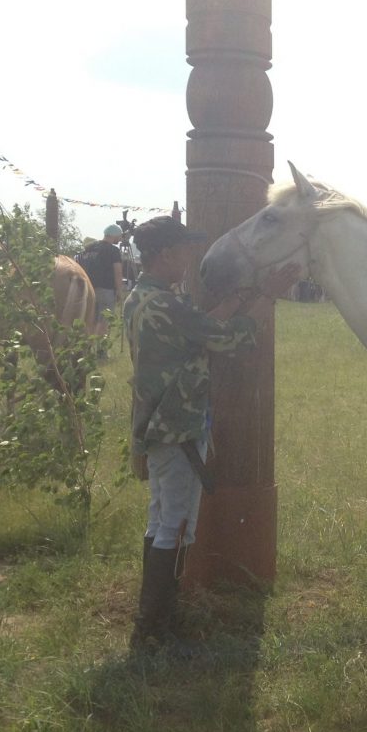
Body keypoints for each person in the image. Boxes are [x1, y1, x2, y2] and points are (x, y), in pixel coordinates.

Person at [124, 215, 298, 654]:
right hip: (179, 424)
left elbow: (198, 328)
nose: (189, 257)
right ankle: (156, 631)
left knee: (160, 519)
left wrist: (241, 299)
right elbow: (225, 338)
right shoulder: (167, 304)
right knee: (177, 527)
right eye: (183, 249)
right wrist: (266, 298)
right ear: (164, 254)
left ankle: (154, 620)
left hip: (158, 425)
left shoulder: (143, 298)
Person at [76, 223, 127, 342]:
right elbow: (118, 272)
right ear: (114, 235)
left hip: (89, 289)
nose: (119, 240)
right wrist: (120, 292)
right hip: (106, 290)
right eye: (119, 237)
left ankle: (89, 347)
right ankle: (101, 351)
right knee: (104, 320)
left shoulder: (90, 248)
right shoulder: (113, 250)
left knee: (91, 319)